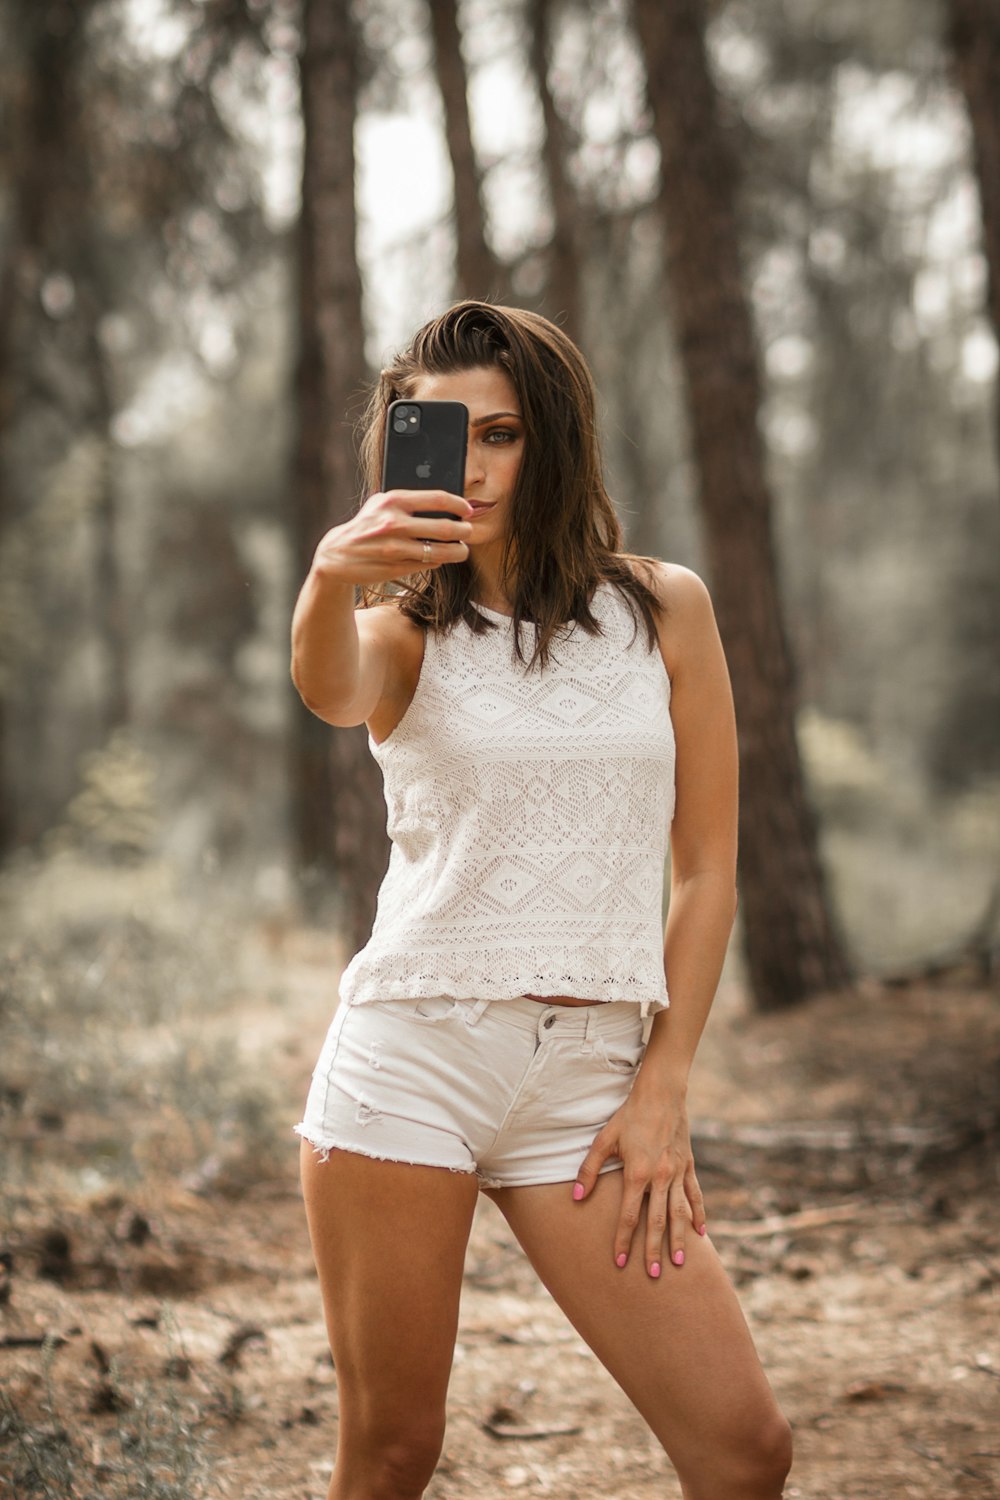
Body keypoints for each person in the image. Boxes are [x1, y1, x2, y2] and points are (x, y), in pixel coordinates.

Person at [290, 300, 793, 1500]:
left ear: (553, 439)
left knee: (743, 1449)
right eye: (442, 433)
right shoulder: (399, 627)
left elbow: (708, 867)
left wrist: (664, 1084)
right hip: (415, 1062)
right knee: (396, 1450)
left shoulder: (663, 608)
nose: (469, 464)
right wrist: (327, 575)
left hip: (593, 1084)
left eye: (502, 433)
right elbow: (328, 690)